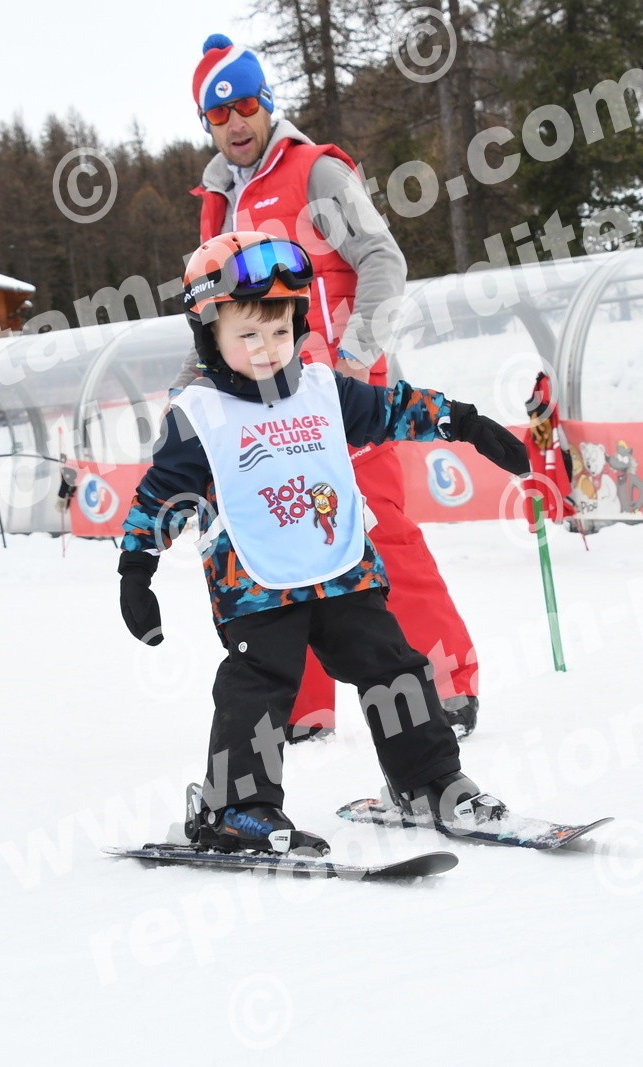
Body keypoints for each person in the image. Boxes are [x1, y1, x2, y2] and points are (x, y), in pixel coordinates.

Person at [117, 232, 530, 855]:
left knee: (395, 668)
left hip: (343, 571)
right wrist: (137, 567)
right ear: (209, 335)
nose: (267, 348)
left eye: (279, 331)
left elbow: (393, 408)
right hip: (255, 586)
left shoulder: (322, 389)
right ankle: (237, 808)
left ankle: (428, 781)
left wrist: (462, 421)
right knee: (260, 686)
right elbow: (163, 494)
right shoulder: (198, 413)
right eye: (247, 335)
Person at [179, 33, 484, 742]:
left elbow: (383, 259)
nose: (235, 123)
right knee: (283, 545)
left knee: (381, 536)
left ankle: (448, 685)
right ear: (206, 124)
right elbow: (214, 309)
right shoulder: (218, 200)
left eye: (245, 105)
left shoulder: (315, 172)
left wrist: (354, 359)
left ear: (267, 103)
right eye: (219, 114)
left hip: (340, 395)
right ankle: (303, 707)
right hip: (266, 408)